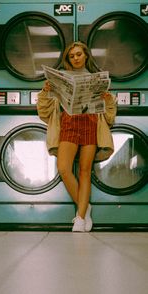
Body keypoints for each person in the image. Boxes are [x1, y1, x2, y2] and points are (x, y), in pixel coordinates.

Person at [37, 41, 117, 232]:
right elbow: (44, 110)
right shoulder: (62, 77)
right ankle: (85, 206)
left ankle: (80, 217)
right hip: (69, 123)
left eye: (78, 54)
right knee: (64, 168)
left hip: (90, 123)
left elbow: (110, 115)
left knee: (84, 171)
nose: (75, 58)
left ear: (86, 56)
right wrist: (46, 91)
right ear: (68, 59)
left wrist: (107, 99)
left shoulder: (95, 79)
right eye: (71, 56)